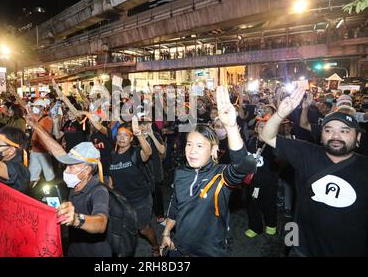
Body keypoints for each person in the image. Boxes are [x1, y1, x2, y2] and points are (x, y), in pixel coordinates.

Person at [260, 85, 368, 256]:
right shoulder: (307, 153)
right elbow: (267, 136)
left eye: (344, 131)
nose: (335, 136)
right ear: (321, 134)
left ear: (358, 138)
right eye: (328, 130)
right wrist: (280, 114)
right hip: (301, 248)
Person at [160, 86, 256, 257]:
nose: (192, 151)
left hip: (211, 252)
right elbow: (175, 206)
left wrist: (231, 126)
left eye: (199, 146)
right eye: (189, 145)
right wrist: (167, 232)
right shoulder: (181, 173)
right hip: (180, 248)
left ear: (213, 150)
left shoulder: (220, 176)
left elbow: (242, 166)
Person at [24, 112, 110, 257]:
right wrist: (36, 126)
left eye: (72, 167)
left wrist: (76, 219)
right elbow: (57, 151)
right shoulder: (77, 184)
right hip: (73, 250)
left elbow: (101, 223)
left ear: (87, 170)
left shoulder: (99, 191)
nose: (66, 170)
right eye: (67, 166)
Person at [109, 117, 160, 256]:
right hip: (122, 200)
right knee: (123, 228)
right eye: (119, 134)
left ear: (131, 139)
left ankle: (156, 246)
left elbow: (148, 152)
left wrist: (139, 135)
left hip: (140, 198)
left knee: (142, 229)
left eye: (126, 135)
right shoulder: (112, 156)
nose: (121, 138)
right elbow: (111, 179)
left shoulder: (135, 153)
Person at [29, 99, 55, 188]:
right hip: (35, 150)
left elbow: (47, 134)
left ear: (41, 108)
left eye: (35, 106)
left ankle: (51, 194)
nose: (33, 108)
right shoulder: (37, 117)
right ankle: (29, 194)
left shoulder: (48, 119)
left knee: (48, 175)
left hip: (43, 151)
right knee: (32, 174)